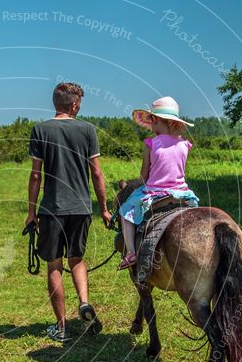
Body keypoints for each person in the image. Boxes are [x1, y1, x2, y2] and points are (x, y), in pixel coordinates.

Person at [25, 82, 112, 343]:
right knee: (77, 259)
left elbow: (36, 175)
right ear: (74, 104)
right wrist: (104, 209)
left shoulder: (40, 129)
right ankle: (84, 302)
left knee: (54, 265)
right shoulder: (87, 130)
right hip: (81, 208)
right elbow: (96, 173)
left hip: (52, 208)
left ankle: (61, 327)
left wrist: (31, 213)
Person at [117, 96, 199, 274]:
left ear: (155, 120)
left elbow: (144, 175)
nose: (150, 126)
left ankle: (131, 252)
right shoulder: (185, 144)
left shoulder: (151, 144)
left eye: (151, 121)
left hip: (155, 193)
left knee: (125, 212)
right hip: (182, 194)